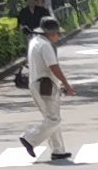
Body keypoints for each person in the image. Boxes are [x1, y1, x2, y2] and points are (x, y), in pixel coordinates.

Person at [20, 18, 71, 161]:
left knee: (50, 118)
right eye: (56, 33)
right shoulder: (45, 45)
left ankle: (58, 150)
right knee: (54, 119)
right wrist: (66, 84)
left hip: (36, 83)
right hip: (46, 85)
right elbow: (53, 66)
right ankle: (30, 138)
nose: (57, 36)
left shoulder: (35, 41)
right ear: (50, 33)